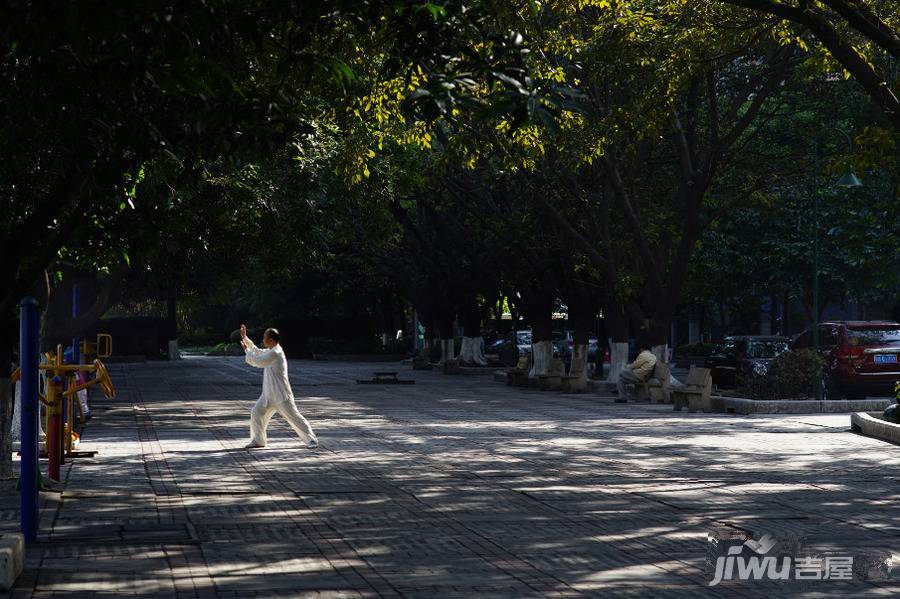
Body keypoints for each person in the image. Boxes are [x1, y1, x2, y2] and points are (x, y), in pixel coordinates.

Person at [239, 324, 318, 449]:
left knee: (294, 417)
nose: (263, 339)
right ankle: (258, 441)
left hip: (281, 395)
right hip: (269, 395)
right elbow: (258, 352)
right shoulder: (271, 350)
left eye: (265, 337)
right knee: (256, 412)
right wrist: (245, 338)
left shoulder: (275, 353)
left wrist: (246, 350)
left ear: (271, 340)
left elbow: (258, 361)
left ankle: (311, 439)